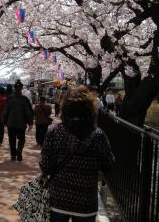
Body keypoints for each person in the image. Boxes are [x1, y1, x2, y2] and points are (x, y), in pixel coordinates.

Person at [40, 85, 114, 222]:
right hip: (86, 201)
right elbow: (109, 165)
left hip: (58, 198)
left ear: (65, 109)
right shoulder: (98, 135)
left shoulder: (54, 132)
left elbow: (45, 165)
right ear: (91, 110)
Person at [4, 79, 33, 161]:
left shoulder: (9, 98)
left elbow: (5, 111)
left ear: (14, 88)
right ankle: (19, 152)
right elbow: (28, 112)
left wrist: (5, 121)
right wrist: (30, 123)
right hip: (21, 123)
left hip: (11, 122)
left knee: (11, 139)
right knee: (21, 139)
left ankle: (13, 155)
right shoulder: (24, 99)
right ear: (21, 88)